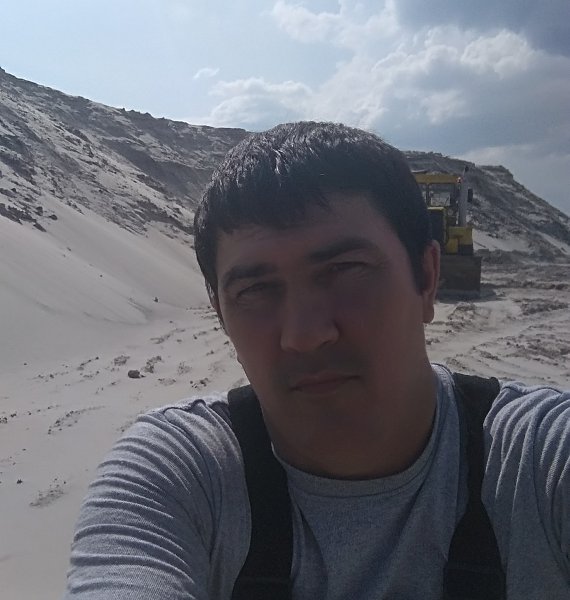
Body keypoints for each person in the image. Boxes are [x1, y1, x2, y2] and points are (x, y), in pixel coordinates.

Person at [65, 122, 569, 599]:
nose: (304, 336)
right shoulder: (178, 474)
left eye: (345, 269)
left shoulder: (537, 459)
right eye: (256, 290)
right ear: (220, 314)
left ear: (426, 277)